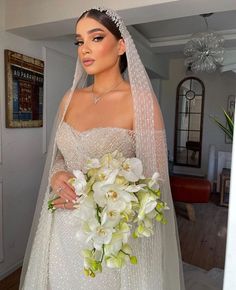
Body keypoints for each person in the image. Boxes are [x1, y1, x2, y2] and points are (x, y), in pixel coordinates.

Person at [20, 7, 185, 290]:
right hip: (59, 228)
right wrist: (57, 176)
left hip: (107, 239)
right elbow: (60, 157)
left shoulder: (141, 102)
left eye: (96, 38)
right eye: (79, 41)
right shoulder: (69, 99)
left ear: (121, 46)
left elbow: (154, 187)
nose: (85, 49)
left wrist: (96, 200)